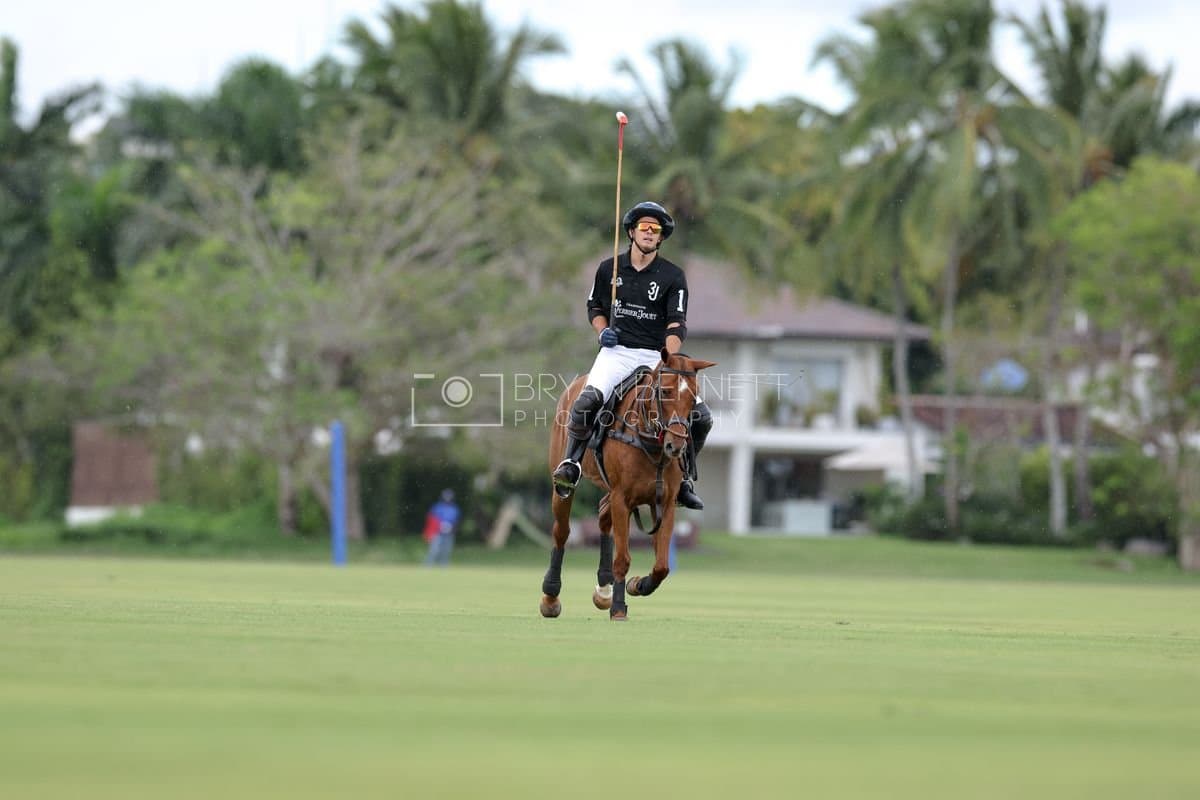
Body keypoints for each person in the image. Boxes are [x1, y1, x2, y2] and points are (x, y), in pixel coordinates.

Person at [551, 201, 712, 509]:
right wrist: (602, 333)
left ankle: (686, 478)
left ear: (661, 238)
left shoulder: (673, 276)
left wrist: (669, 357)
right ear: (631, 232)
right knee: (586, 401)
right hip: (616, 352)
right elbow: (595, 308)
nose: (650, 233)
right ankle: (571, 464)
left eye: (656, 230)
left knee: (702, 418)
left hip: (655, 355)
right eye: (644, 228)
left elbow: (677, 324)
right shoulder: (608, 269)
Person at [422, 488, 461, 566]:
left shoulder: (455, 509)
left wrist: (453, 529)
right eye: (446, 496)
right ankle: (427, 566)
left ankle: (443, 567)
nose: (448, 498)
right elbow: (431, 519)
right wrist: (438, 526)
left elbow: (456, 521)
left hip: (449, 533)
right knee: (434, 550)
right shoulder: (437, 507)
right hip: (437, 532)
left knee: (446, 551)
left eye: (449, 496)